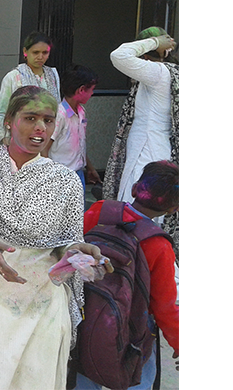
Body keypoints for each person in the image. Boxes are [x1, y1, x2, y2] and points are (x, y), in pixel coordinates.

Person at [0, 86, 110, 390]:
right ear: (9, 121)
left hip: (41, 309)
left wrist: (78, 252)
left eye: (48, 120)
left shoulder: (66, 181)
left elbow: (66, 244)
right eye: (30, 118)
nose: (40, 127)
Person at [76, 160, 179, 390]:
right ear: (174, 209)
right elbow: (164, 307)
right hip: (132, 331)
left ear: (134, 189)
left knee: (82, 373)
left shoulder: (100, 210)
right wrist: (179, 343)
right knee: (139, 375)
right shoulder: (159, 245)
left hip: (86, 316)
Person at [102, 27, 180, 260]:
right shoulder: (164, 74)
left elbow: (119, 55)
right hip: (149, 150)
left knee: (138, 216)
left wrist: (155, 41)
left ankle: (140, 264)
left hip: (147, 153)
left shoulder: (158, 73)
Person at [0, 31, 61, 141]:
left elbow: (57, 108)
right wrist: (5, 138)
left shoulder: (53, 75)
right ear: (25, 52)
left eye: (45, 52)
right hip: (21, 135)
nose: (40, 57)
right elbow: (2, 112)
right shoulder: (14, 77)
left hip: (47, 137)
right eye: (36, 52)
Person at [42, 64, 100, 190]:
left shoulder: (81, 112)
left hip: (78, 173)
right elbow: (44, 148)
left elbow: (80, 145)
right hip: (60, 176)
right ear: (81, 90)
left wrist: (90, 168)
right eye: (91, 89)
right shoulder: (59, 115)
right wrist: (49, 176)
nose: (92, 93)